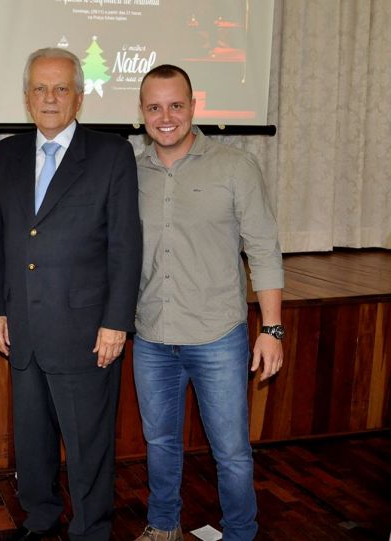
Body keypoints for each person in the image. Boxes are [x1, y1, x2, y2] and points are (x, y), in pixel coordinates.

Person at [0, 48, 142, 541]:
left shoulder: (111, 154)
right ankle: (41, 516)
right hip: (22, 327)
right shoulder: (6, 154)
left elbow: (125, 244)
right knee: (32, 439)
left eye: (60, 88)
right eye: (40, 88)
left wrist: (116, 322)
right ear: (26, 97)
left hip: (86, 331)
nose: (49, 98)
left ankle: (91, 529)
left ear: (79, 96)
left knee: (87, 443)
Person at [132, 64, 284, 541]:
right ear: (142, 113)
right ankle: (163, 526)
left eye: (176, 105)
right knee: (160, 443)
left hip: (217, 336)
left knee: (231, 453)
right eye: (155, 107)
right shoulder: (129, 172)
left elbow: (264, 250)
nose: (166, 117)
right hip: (152, 336)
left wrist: (272, 329)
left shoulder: (235, 167)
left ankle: (240, 533)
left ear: (193, 107)